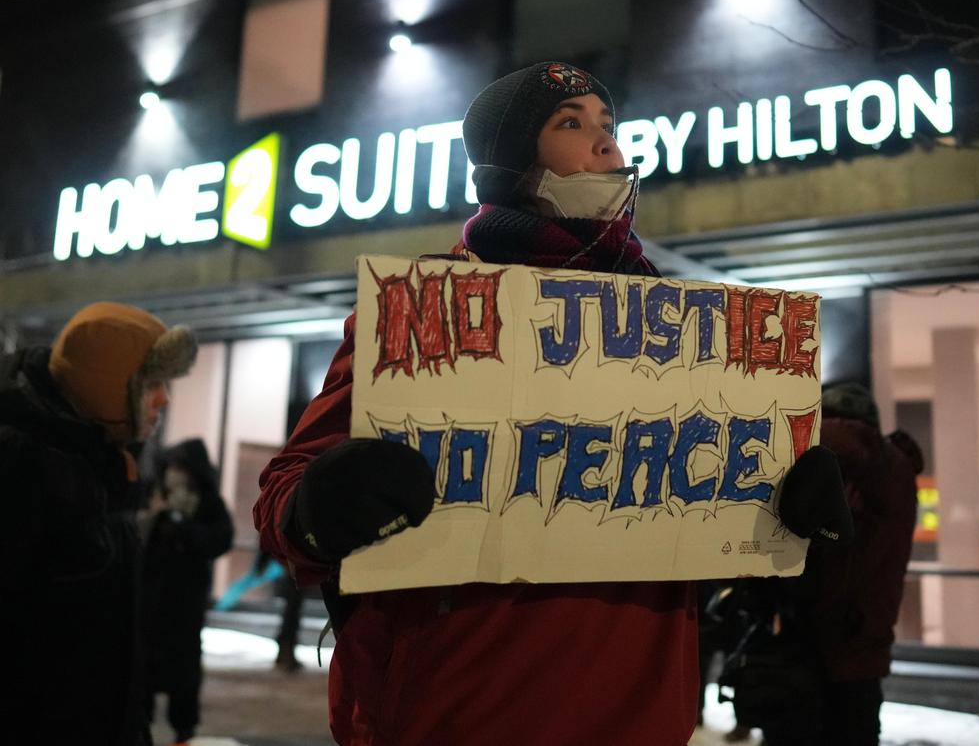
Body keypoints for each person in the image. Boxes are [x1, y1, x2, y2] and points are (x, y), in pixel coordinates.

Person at [254, 61, 849, 745]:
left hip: (641, 718)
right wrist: (317, 509)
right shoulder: (426, 311)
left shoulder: (681, 332)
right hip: (459, 710)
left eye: (609, 125)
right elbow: (284, 496)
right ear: (510, 162)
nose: (605, 144)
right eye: (571, 123)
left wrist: (786, 506)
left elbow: (690, 515)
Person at [0, 302, 197, 745]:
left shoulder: (106, 466)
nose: (164, 399)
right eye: (151, 383)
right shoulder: (21, 466)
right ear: (107, 387)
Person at [755, 383, 921, 746]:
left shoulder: (866, 461)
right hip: (859, 649)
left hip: (821, 646)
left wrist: (782, 432)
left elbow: (847, 439)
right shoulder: (891, 476)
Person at [141, 438, 234, 745]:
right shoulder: (155, 496)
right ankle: (140, 723)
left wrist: (183, 528)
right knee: (143, 664)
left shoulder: (207, 502)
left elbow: (220, 538)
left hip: (186, 602)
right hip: (152, 599)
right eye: (173, 466)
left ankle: (183, 729)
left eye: (182, 467)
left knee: (184, 669)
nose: (176, 473)